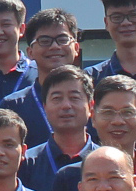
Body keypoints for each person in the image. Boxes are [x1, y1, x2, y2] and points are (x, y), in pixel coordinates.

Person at [20, 65, 97, 191]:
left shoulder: (106, 162)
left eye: (74, 98)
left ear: (91, 106)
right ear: (45, 107)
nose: (66, 105)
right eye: (57, 98)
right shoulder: (26, 163)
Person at [9, 10, 84, 149]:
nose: (55, 46)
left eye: (62, 40)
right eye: (44, 41)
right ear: (30, 52)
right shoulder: (13, 105)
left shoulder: (96, 98)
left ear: (76, 48)